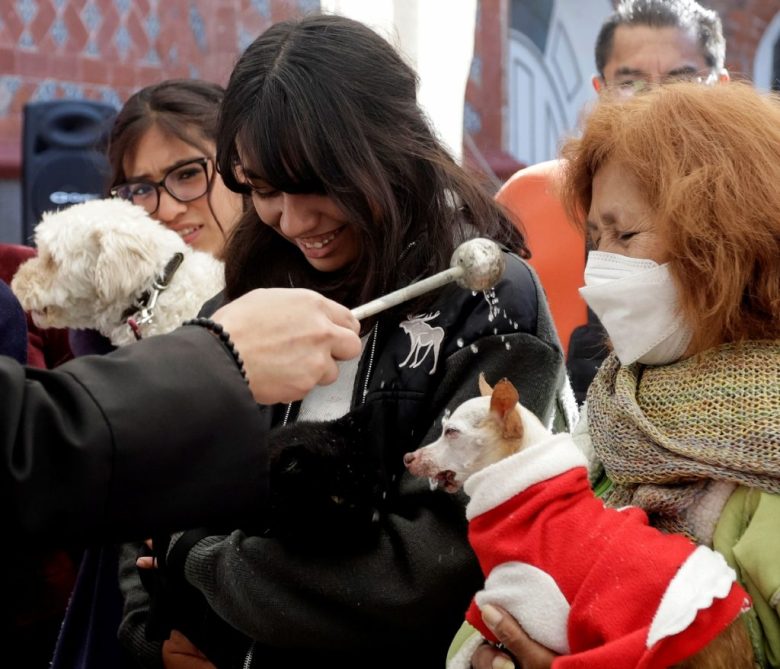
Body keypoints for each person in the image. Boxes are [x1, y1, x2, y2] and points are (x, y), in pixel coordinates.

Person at [117, 13, 576, 669]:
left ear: (392, 146)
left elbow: (439, 566)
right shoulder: (240, 301)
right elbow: (151, 490)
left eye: (321, 186)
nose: (296, 221)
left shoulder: (488, 300)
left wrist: (203, 564)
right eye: (267, 190)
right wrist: (152, 638)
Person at [462, 81, 780, 668]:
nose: (597, 268)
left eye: (625, 235)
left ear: (726, 241)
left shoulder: (768, 449)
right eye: (595, 239)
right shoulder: (611, 412)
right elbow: (501, 594)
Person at [496, 0, 729, 405]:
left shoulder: (764, 212)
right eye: (631, 83)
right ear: (600, 92)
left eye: (681, 80)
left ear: (722, 87)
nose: (657, 100)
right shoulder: (530, 199)